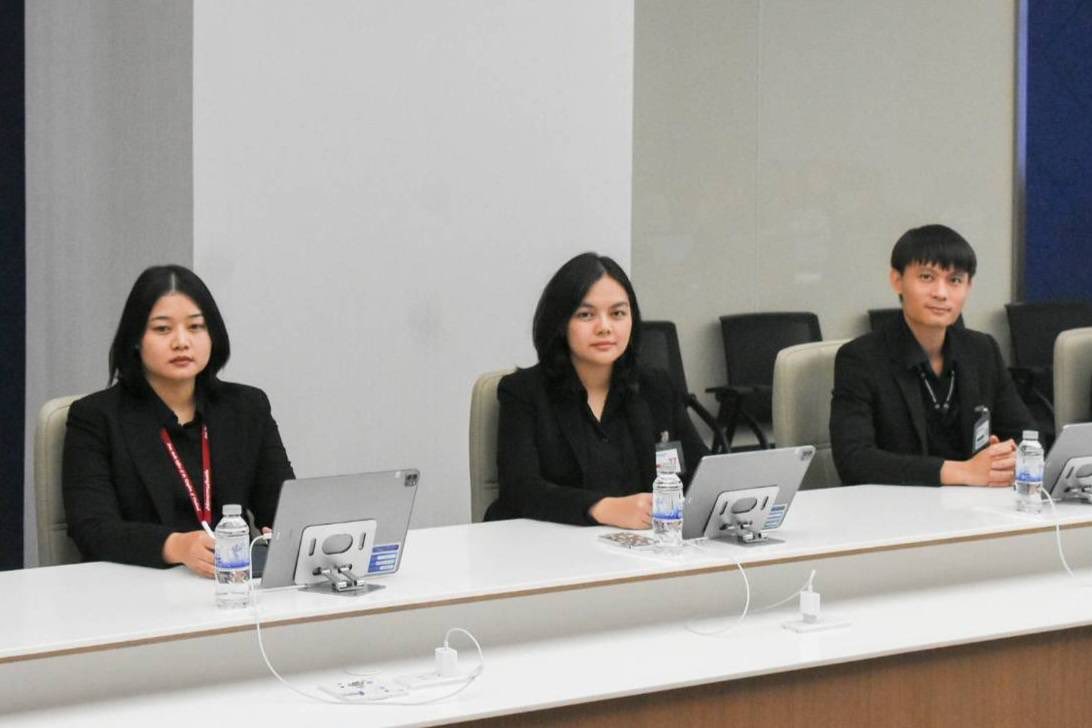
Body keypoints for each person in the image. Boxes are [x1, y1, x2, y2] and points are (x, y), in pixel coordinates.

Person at [62, 265, 294, 576]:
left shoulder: (247, 408)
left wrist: (284, 533)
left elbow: (282, 506)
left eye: (195, 327)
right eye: (162, 329)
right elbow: (92, 528)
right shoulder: (96, 417)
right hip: (135, 586)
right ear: (135, 339)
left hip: (232, 584)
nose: (181, 342)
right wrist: (177, 546)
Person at [485, 252, 707, 528]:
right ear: (560, 322)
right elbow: (520, 489)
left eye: (617, 313)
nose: (605, 328)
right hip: (548, 545)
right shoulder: (523, 392)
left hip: (644, 545)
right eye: (586, 315)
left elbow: (700, 472)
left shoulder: (656, 387)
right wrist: (603, 508)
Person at [830, 225, 1033, 486]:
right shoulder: (861, 358)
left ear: (968, 287)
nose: (941, 293)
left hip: (975, 504)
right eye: (927, 277)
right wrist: (962, 472)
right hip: (893, 506)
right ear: (897, 280)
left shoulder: (982, 350)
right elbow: (854, 460)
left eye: (955, 280)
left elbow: (1027, 434)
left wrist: (1006, 458)